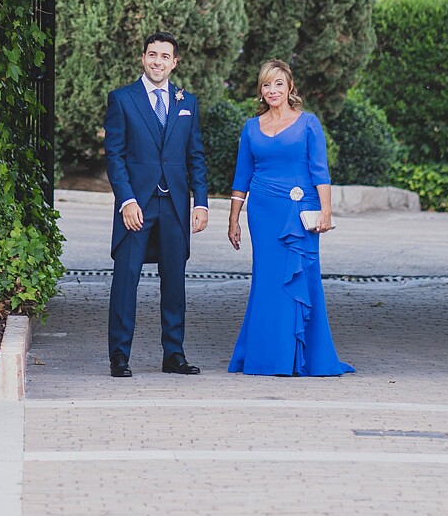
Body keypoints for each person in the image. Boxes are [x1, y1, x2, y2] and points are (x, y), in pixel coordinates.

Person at [226, 59, 354, 377]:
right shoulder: (251, 127)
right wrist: (233, 219)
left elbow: (319, 171)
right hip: (263, 213)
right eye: (267, 84)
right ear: (261, 90)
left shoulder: (308, 123)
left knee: (302, 278)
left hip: (301, 213)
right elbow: (242, 177)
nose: (273, 90)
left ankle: (303, 358)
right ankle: (267, 358)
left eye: (279, 84)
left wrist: (327, 211)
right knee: (267, 282)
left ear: (290, 87)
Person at [104, 32, 210, 377]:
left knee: (174, 283)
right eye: (152, 55)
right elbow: (115, 156)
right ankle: (119, 355)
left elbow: (196, 156)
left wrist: (201, 202)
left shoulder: (187, 102)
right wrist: (127, 200)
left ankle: (173, 355)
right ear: (142, 58)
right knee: (125, 279)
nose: (158, 61)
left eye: (165, 57)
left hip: (176, 206)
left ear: (174, 62)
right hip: (137, 204)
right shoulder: (122, 99)